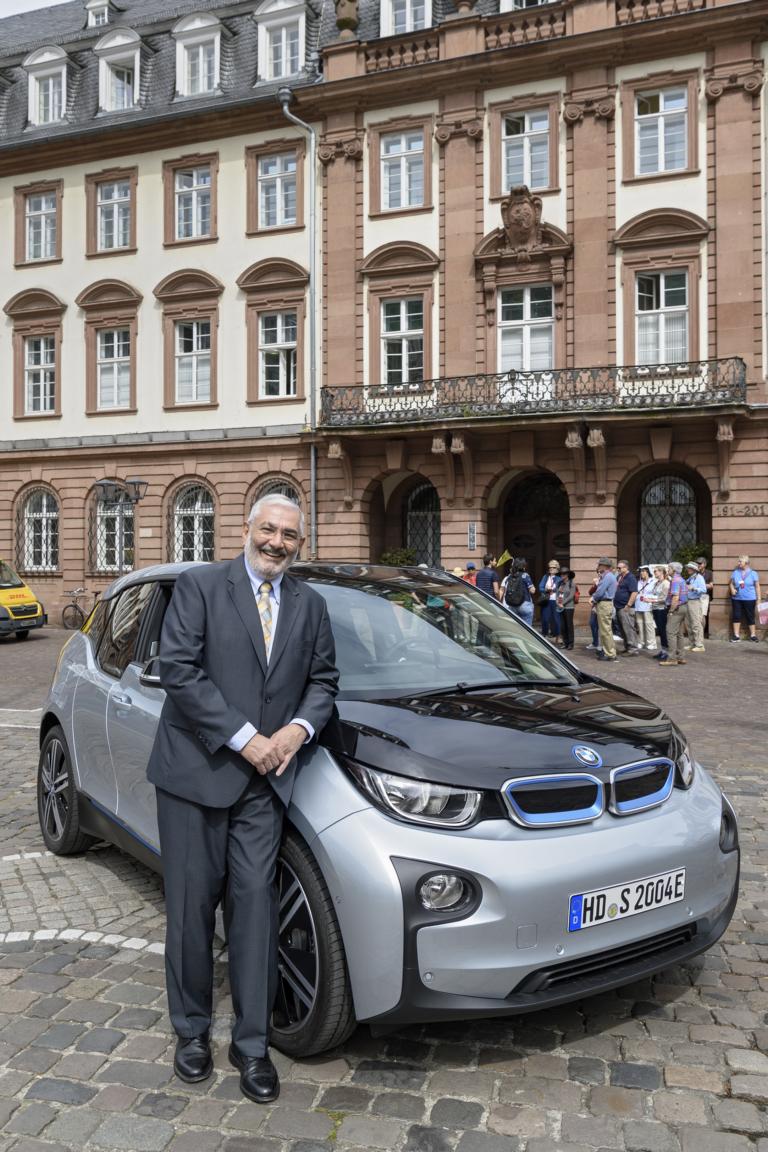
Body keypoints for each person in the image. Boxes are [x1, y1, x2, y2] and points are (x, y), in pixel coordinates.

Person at [147, 495, 339, 1104]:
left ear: (300, 544)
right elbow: (179, 669)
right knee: (191, 910)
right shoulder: (201, 586)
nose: (278, 542)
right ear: (246, 529)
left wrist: (296, 731)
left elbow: (323, 681)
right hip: (195, 777)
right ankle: (193, 1033)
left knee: (255, 912)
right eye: (269, 530)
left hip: (266, 784)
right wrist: (245, 738)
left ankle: (251, 1045)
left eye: (290, 535)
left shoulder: (311, 604)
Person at [659, 561, 688, 666]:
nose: (668, 570)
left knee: (670, 633)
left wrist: (671, 611)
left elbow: (675, 597)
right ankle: (681, 657)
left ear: (674, 570)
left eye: (669, 568)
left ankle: (671, 659)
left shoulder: (675, 580)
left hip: (677, 608)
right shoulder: (681, 579)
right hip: (683, 607)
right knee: (679, 634)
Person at [729, 554, 761, 642]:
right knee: (736, 616)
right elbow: (731, 583)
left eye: (740, 561)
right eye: (738, 561)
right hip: (737, 598)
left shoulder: (753, 573)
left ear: (746, 563)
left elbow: (757, 586)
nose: (738, 563)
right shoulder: (735, 572)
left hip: (750, 598)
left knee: (750, 616)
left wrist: (759, 599)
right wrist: (732, 589)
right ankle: (736, 636)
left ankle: (753, 635)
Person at [591, 557, 618, 661]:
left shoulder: (607, 576)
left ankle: (610, 654)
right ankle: (608, 651)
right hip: (605, 603)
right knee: (605, 630)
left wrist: (593, 599)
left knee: (606, 630)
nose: (597, 567)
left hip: (604, 604)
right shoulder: (607, 576)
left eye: (599, 565)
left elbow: (600, 591)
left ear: (604, 566)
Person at [614, 559, 640, 655]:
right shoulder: (620, 577)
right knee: (623, 629)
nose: (618, 569)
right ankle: (627, 646)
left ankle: (633, 649)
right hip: (619, 607)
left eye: (619, 568)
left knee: (629, 628)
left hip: (626, 607)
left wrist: (628, 605)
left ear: (626, 567)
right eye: (617, 567)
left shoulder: (630, 577)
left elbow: (634, 592)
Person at [502, 558, 535, 626]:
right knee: (527, 629)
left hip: (512, 605)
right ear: (523, 566)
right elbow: (532, 591)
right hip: (524, 604)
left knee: (515, 627)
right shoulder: (525, 575)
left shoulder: (510, 576)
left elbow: (505, 587)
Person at [684, 562, 706, 652]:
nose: (688, 569)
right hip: (688, 601)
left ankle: (700, 645)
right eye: (688, 568)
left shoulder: (699, 578)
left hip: (695, 602)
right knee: (689, 623)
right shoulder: (690, 578)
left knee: (696, 623)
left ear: (694, 569)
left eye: (689, 568)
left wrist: (693, 588)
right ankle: (692, 643)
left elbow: (703, 589)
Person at [650, 565, 670, 661]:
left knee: (663, 630)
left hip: (662, 609)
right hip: (655, 608)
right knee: (660, 630)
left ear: (662, 572)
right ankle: (662, 650)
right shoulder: (657, 583)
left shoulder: (666, 583)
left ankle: (666, 651)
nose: (655, 573)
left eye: (656, 571)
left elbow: (664, 598)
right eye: (654, 571)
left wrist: (651, 600)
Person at [538, 559, 561, 641]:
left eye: (554, 567)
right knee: (545, 618)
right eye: (550, 567)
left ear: (557, 568)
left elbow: (560, 589)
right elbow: (540, 587)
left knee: (556, 618)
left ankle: (557, 634)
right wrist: (546, 590)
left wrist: (553, 589)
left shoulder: (559, 578)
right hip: (546, 600)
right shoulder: (545, 577)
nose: (551, 569)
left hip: (555, 600)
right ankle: (544, 633)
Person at [635, 565, 656, 651]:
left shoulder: (653, 581)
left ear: (648, 572)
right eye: (641, 571)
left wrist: (650, 599)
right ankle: (641, 642)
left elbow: (655, 594)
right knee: (640, 625)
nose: (642, 573)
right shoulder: (638, 582)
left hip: (647, 605)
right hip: (638, 605)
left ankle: (651, 643)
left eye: (644, 571)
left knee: (649, 624)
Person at [556, 567, 577, 649]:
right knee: (563, 626)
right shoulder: (559, 583)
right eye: (561, 574)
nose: (562, 575)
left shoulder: (572, 583)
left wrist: (563, 603)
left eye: (564, 574)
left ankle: (571, 644)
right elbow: (557, 594)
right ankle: (565, 642)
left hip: (569, 607)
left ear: (567, 574)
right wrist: (557, 602)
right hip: (560, 607)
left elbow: (571, 596)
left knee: (569, 625)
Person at [697, 555, 713, 639]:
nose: (698, 565)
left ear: (705, 564)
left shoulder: (709, 573)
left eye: (700, 563)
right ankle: (698, 632)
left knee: (702, 615)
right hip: (695, 596)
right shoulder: (695, 573)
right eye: (697, 563)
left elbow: (711, 586)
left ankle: (702, 633)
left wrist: (699, 586)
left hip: (704, 597)